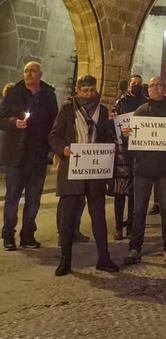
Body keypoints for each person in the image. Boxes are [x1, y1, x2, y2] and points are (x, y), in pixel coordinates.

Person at [47, 74, 120, 276]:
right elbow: (54, 135)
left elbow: (108, 136)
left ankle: (104, 258)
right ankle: (65, 260)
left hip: (94, 171)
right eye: (85, 90)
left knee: (98, 216)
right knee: (68, 217)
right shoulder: (67, 109)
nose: (89, 94)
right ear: (78, 90)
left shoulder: (102, 111)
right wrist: (63, 150)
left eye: (91, 90)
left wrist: (109, 149)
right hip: (73, 168)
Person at [123, 76, 166, 265]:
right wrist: (128, 137)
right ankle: (135, 248)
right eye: (152, 85)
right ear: (148, 90)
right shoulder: (141, 111)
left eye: (159, 85)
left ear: (165, 88)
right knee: (139, 210)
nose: (155, 88)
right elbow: (132, 145)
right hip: (143, 168)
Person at [0, 60, 58, 250]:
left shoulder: (48, 95)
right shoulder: (14, 93)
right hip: (16, 154)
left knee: (34, 197)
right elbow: (1, 117)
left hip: (38, 155)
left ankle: (28, 235)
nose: (29, 74)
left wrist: (52, 148)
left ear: (40, 74)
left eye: (33, 71)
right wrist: (12, 123)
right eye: (26, 71)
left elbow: (54, 123)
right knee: (13, 196)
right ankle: (8, 235)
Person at [109, 75, 145, 241]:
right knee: (119, 192)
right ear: (129, 85)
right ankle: (118, 226)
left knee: (133, 193)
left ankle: (130, 225)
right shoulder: (120, 102)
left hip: (137, 151)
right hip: (123, 151)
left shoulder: (145, 102)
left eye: (138, 84)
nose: (135, 86)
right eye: (133, 84)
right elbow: (114, 124)